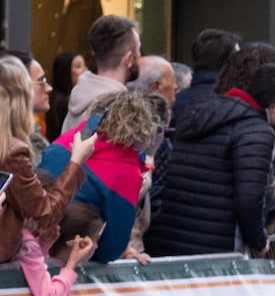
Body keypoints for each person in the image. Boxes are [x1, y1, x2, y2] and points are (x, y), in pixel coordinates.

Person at [146, 62, 275, 256]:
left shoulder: (202, 112)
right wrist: (258, 241)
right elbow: (250, 199)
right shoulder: (257, 131)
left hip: (173, 238)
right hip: (217, 247)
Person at [40, 90, 161, 263]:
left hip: (31, 240)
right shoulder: (125, 171)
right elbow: (112, 248)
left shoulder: (68, 139)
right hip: (69, 254)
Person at [0, 55, 93, 263]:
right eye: (40, 82)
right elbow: (45, 214)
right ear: (19, 100)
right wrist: (76, 162)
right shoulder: (12, 151)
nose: (49, 88)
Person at [17, 200, 101, 296]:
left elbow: (34, 268)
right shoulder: (27, 242)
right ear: (76, 244)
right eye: (94, 240)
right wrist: (72, 263)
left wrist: (43, 245)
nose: (96, 247)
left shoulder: (28, 241)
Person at [62, 15, 141, 134]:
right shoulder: (117, 109)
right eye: (138, 49)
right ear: (129, 58)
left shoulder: (80, 95)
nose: (140, 56)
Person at [47, 51, 86, 137]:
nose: (85, 70)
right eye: (78, 66)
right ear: (65, 71)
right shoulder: (63, 102)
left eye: (84, 65)